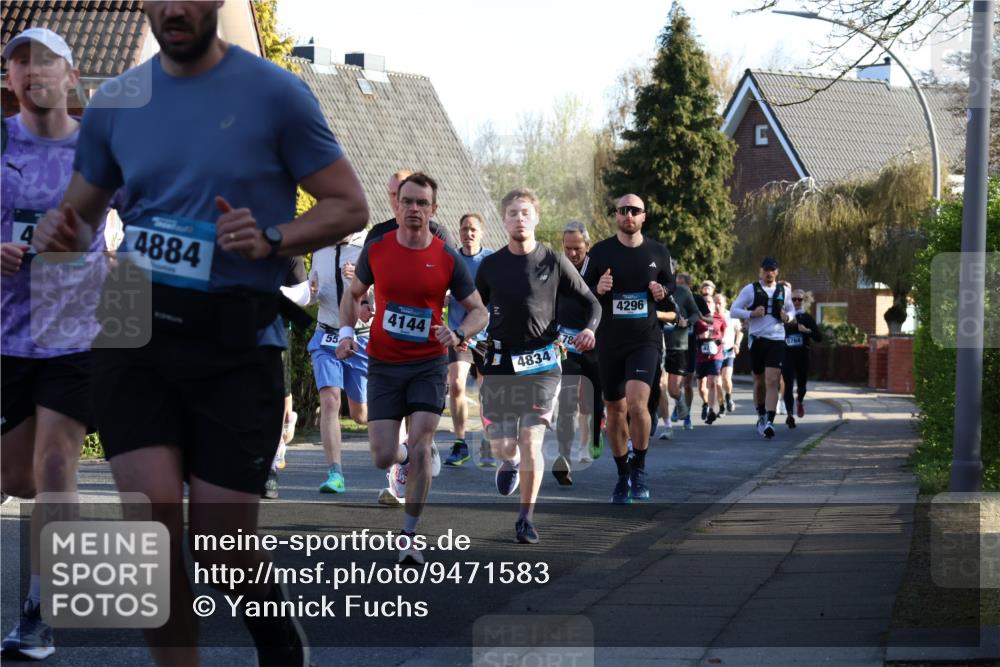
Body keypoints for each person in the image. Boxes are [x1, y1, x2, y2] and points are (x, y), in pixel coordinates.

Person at [31, 3, 369, 664]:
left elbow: (348, 204)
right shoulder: (117, 102)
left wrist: (274, 236)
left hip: (236, 333)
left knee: (222, 547)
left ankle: (277, 640)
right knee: (150, 543)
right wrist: (59, 234)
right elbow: (79, 217)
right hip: (132, 324)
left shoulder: (275, 93)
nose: (176, 7)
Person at [0, 28, 116, 661]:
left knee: (53, 467)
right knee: (14, 474)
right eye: (19, 60)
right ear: (10, 79)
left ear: (73, 78)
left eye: (45, 60)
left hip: (77, 335)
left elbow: (155, 218)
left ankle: (38, 614)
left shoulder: (101, 155)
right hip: (6, 338)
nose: (31, 69)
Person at [336, 172, 487, 564]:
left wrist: (456, 334)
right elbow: (354, 295)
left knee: (421, 443)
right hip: (384, 364)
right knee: (382, 457)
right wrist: (347, 332)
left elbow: (479, 312)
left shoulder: (446, 257)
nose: (414, 209)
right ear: (396, 205)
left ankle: (408, 535)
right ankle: (404, 457)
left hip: (427, 364)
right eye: (408, 202)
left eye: (422, 203)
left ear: (433, 210)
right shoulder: (377, 249)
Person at [475, 191, 599, 543]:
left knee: (532, 439)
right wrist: (462, 333)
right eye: (512, 213)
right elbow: (474, 308)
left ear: (536, 218)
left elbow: (592, 302)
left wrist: (589, 330)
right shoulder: (491, 267)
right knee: (502, 446)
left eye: (525, 212)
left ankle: (525, 517)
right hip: (500, 362)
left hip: (543, 363)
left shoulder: (555, 261)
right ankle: (508, 462)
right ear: (504, 220)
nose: (519, 219)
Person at [586, 194, 675, 503]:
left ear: (643, 216)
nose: (628, 215)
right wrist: (598, 289)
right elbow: (584, 291)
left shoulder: (657, 252)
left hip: (644, 338)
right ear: (616, 216)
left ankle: (640, 468)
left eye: (634, 210)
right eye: (623, 210)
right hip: (610, 341)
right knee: (615, 409)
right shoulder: (600, 252)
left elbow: (670, 287)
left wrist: (661, 291)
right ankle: (623, 472)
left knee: (637, 404)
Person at [307, 231, 371, 493]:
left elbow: (378, 301)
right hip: (325, 335)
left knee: (361, 415)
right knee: (330, 399)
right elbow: (313, 293)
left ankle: (404, 441)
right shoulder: (319, 247)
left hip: (360, 338)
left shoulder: (369, 246)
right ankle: (335, 473)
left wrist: (363, 283)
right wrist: (310, 293)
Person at [555, 220, 604, 479]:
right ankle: (564, 455)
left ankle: (593, 436)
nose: (572, 254)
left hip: (594, 343)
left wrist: (600, 289)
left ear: (587, 245)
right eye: (568, 248)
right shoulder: (557, 268)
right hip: (566, 343)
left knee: (591, 402)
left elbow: (595, 300)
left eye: (578, 248)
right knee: (567, 401)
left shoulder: (597, 269)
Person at [444, 213, 493, 467]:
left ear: (481, 233)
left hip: (486, 337)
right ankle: (460, 443)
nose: (468, 233)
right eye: (464, 229)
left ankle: (487, 442)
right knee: (457, 385)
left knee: (487, 391)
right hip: (458, 334)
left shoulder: (491, 260)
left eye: (473, 229)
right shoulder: (450, 258)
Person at [261, 256, 311, 500]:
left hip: (274, 331)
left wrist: (272, 289)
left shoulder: (288, 248)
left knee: (273, 395)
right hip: (232, 328)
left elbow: (304, 296)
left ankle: (269, 468)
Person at [729, 258, 795, 439]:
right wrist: (751, 313)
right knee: (759, 382)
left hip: (777, 339)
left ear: (777, 272)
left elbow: (791, 311)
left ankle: (770, 422)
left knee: (772, 379)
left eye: (772, 270)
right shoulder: (750, 290)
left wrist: (787, 317)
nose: (769, 273)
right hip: (757, 340)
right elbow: (733, 310)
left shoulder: (784, 290)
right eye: (766, 270)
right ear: (760, 271)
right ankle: (761, 415)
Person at [659, 272, 704, 438]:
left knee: (672, 389)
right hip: (656, 342)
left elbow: (695, 313)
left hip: (678, 344)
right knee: (658, 385)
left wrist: (687, 321)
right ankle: (665, 424)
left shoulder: (683, 292)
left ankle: (679, 400)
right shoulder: (653, 289)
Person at [363, 170, 457, 248]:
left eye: (403, 194)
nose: (397, 199)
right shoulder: (376, 235)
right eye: (393, 194)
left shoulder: (439, 235)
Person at [782, 289, 823, 428]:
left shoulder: (807, 318)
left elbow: (819, 337)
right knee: (787, 384)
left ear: (804, 301)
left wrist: (807, 331)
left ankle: (799, 401)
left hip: (802, 355)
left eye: (799, 299)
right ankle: (789, 414)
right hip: (787, 355)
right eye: (793, 299)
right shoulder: (785, 318)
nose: (796, 302)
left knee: (801, 385)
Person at [694, 293, 726, 424]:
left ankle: (712, 410)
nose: (707, 304)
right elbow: (693, 335)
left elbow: (723, 337)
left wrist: (715, 341)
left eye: (709, 302)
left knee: (712, 382)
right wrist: (701, 337)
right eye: (705, 302)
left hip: (715, 355)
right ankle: (706, 403)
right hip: (701, 356)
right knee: (701, 386)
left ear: (713, 304)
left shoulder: (719, 318)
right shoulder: (697, 318)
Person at [714, 292, 743, 415]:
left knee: (726, 378)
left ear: (725, 304)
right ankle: (721, 406)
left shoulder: (731, 316)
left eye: (720, 302)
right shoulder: (709, 317)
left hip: (728, 351)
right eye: (715, 302)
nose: (717, 305)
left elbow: (739, 331)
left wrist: (737, 344)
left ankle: (729, 397)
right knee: (717, 382)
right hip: (714, 353)